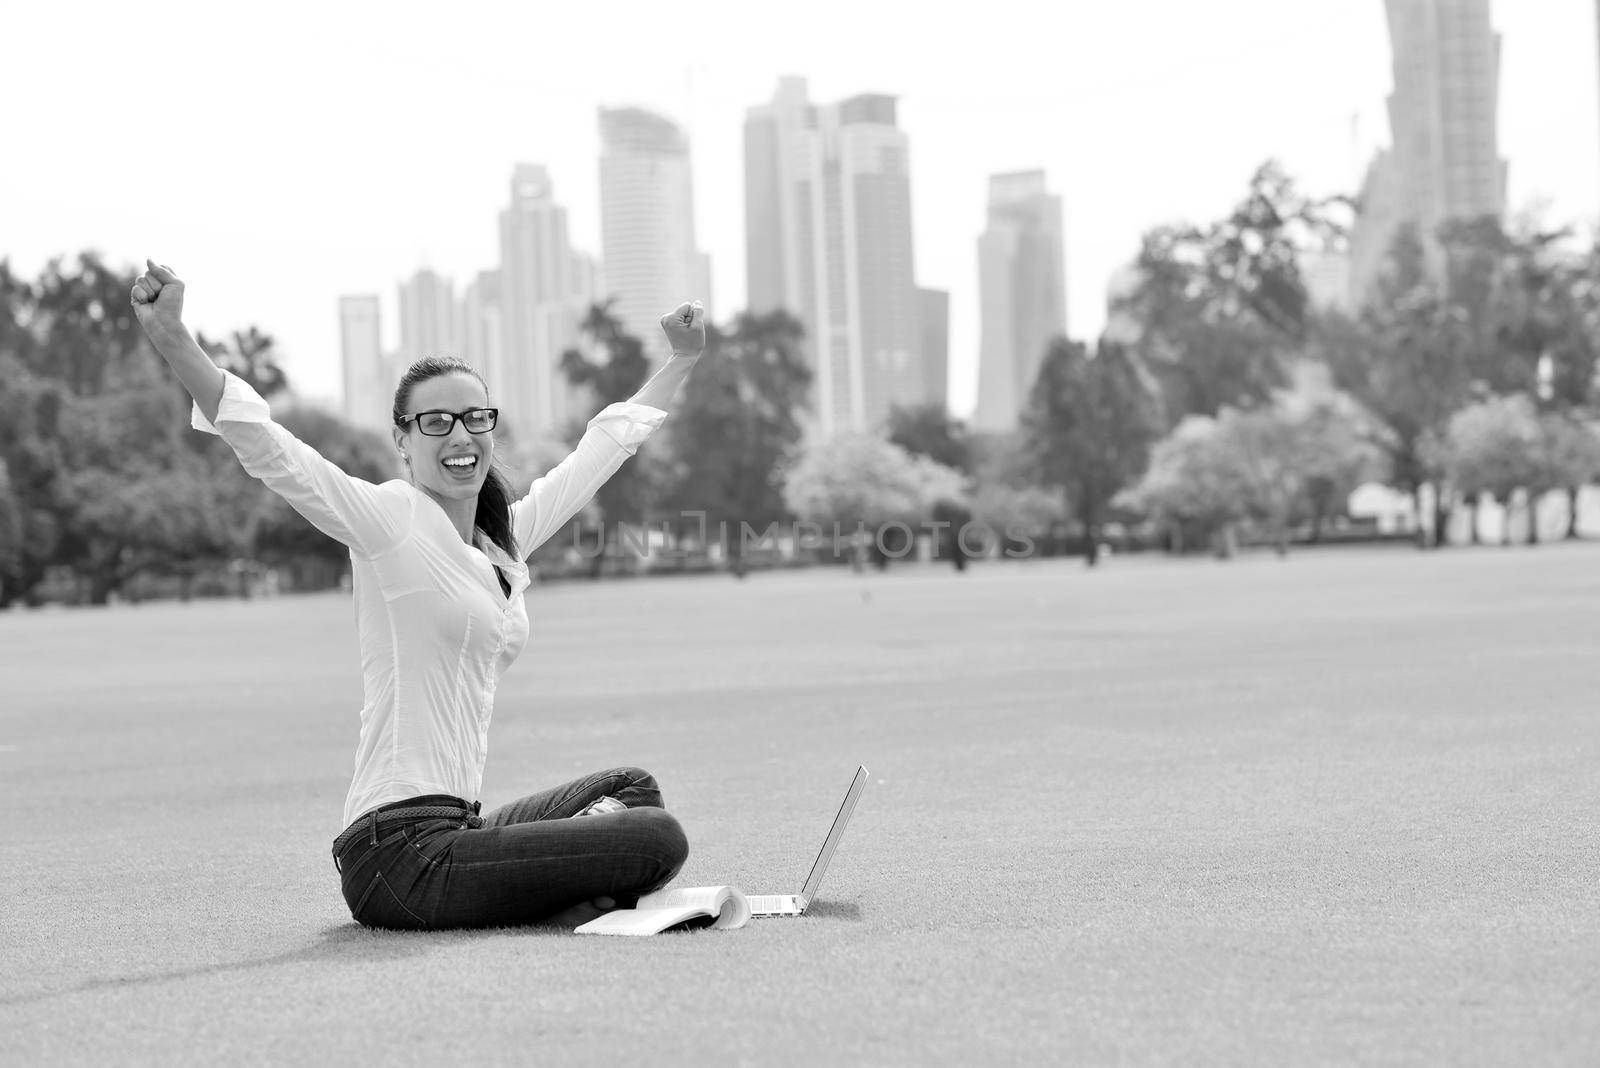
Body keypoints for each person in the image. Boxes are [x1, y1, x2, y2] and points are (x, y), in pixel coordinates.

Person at [130, 260, 705, 930]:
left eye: (474, 418)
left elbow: (598, 454)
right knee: (655, 840)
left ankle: (568, 893)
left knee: (633, 792)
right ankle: (579, 892)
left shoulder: (501, 541)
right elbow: (273, 451)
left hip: (458, 828)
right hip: (396, 855)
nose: (460, 437)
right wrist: (174, 340)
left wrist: (681, 358)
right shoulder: (390, 520)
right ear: (402, 440)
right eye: (435, 422)